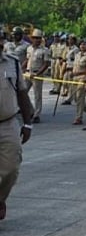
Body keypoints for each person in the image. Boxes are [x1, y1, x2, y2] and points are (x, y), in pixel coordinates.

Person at [0, 48, 34, 221]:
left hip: (8, 123)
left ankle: (0, 199)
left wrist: (27, 123)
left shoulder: (12, 62)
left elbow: (21, 92)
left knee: (11, 169)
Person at [24, 29, 51, 123]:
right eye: (35, 38)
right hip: (28, 73)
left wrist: (38, 73)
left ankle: (37, 115)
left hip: (37, 74)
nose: (37, 40)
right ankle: (31, 110)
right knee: (23, 93)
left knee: (37, 96)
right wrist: (20, 68)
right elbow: (27, 60)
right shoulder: (29, 48)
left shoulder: (45, 50)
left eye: (38, 38)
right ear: (32, 38)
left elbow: (46, 64)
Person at [70, 39, 86, 125]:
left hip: (82, 78)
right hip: (75, 78)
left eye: (84, 44)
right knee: (76, 98)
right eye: (81, 44)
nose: (82, 46)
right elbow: (74, 66)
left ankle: (78, 117)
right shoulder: (77, 55)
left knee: (80, 97)